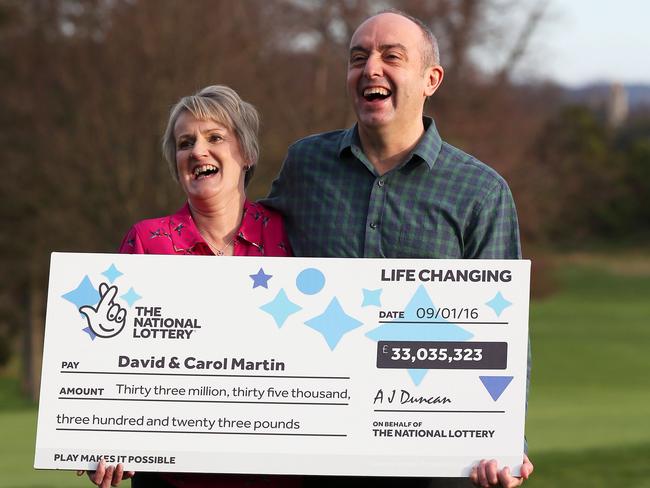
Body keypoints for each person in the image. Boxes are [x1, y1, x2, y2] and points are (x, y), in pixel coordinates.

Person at [262, 9, 533, 488]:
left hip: (434, 452)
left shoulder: (481, 191)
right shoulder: (306, 164)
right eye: (358, 57)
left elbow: (506, 331)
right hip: (321, 448)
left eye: (392, 56)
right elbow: (243, 247)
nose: (370, 68)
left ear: (431, 79)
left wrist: (507, 441)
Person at [79, 85, 298, 488]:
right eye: (185, 143)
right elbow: (106, 361)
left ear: (246, 154)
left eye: (215, 138)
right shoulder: (147, 241)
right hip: (173, 480)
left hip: (276, 477)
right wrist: (98, 437)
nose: (197, 151)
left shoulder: (291, 236)